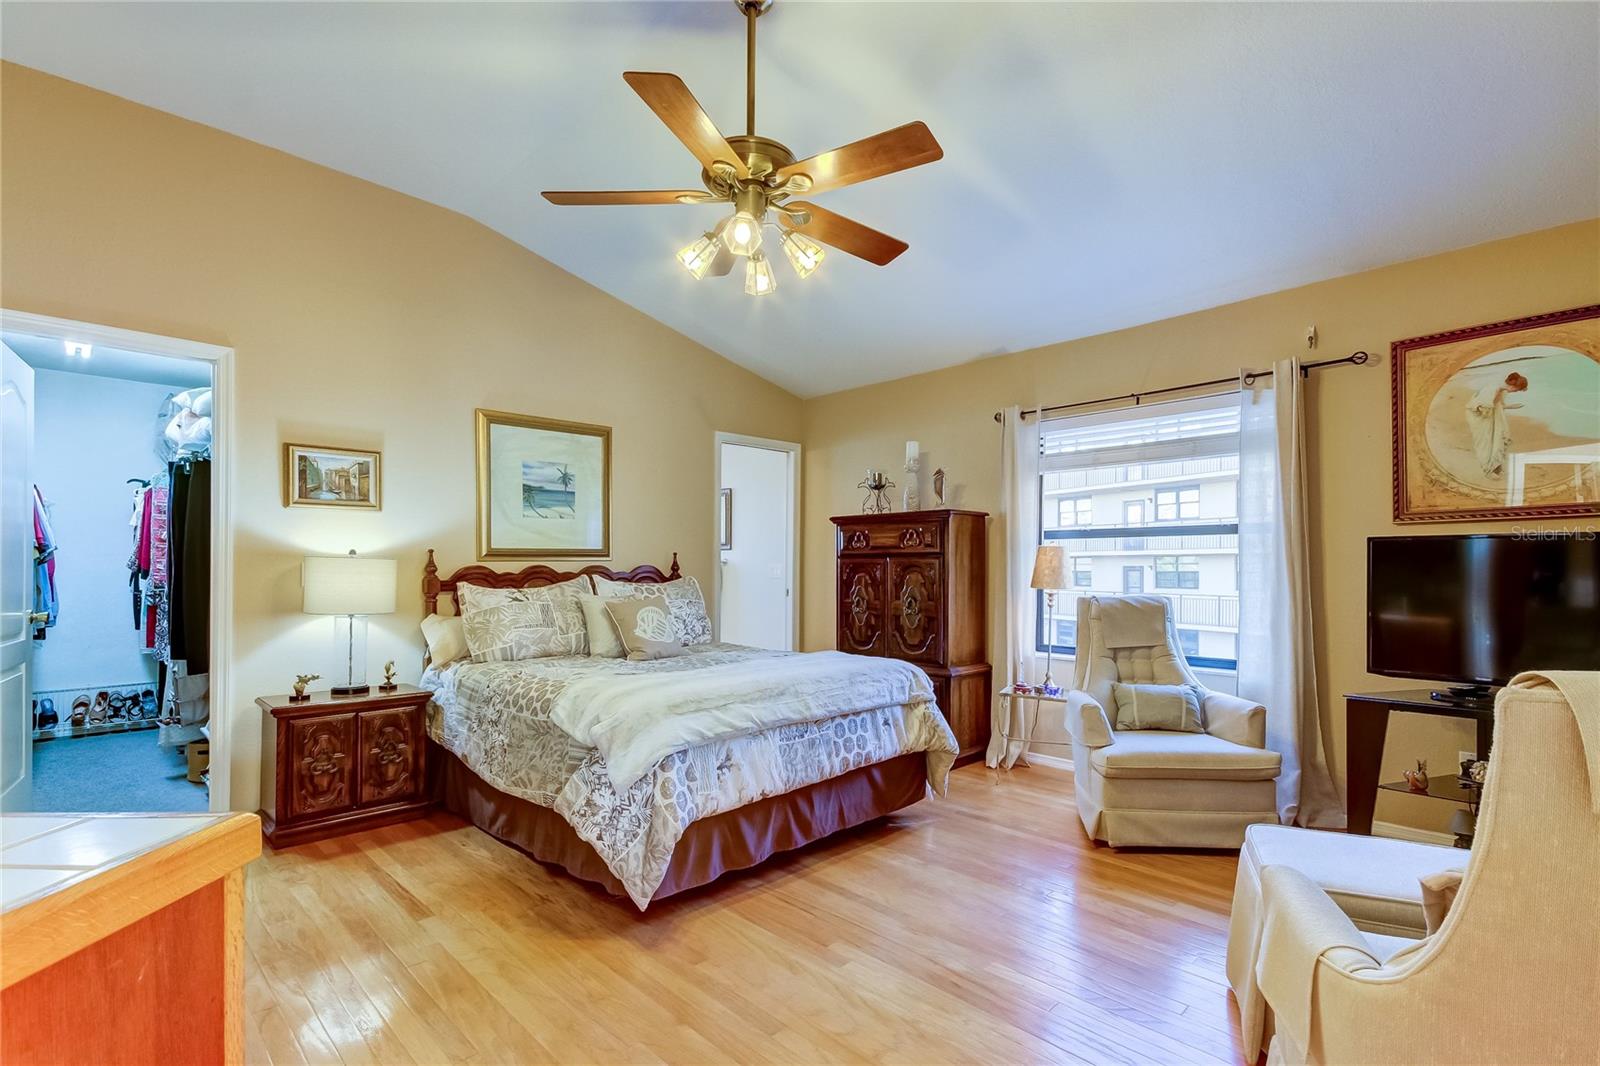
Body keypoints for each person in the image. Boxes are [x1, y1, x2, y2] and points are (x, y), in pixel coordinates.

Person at [1465, 371, 1528, 476]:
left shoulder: (1503, 390)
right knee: (1485, 442)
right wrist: (1499, 393)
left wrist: (1511, 406)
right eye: (1516, 390)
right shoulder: (1493, 388)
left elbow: (1498, 406)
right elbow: (1484, 407)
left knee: (1497, 439)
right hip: (1480, 417)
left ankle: (1496, 466)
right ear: (1512, 385)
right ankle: (1488, 468)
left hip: (1491, 416)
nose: (1515, 392)